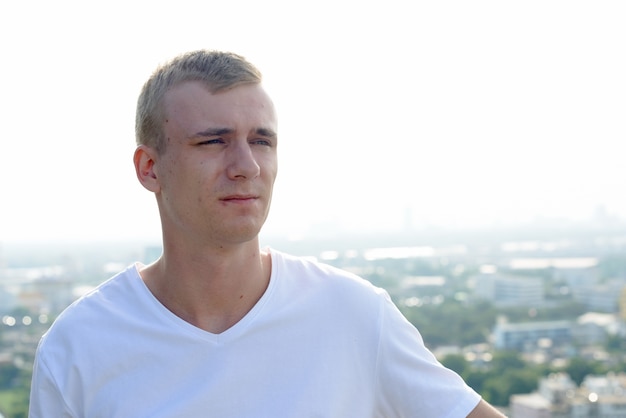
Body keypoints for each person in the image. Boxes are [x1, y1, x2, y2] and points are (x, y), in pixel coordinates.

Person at [29, 50, 506, 417]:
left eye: (261, 140)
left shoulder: (354, 315)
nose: (247, 166)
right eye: (213, 141)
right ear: (150, 167)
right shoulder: (79, 347)